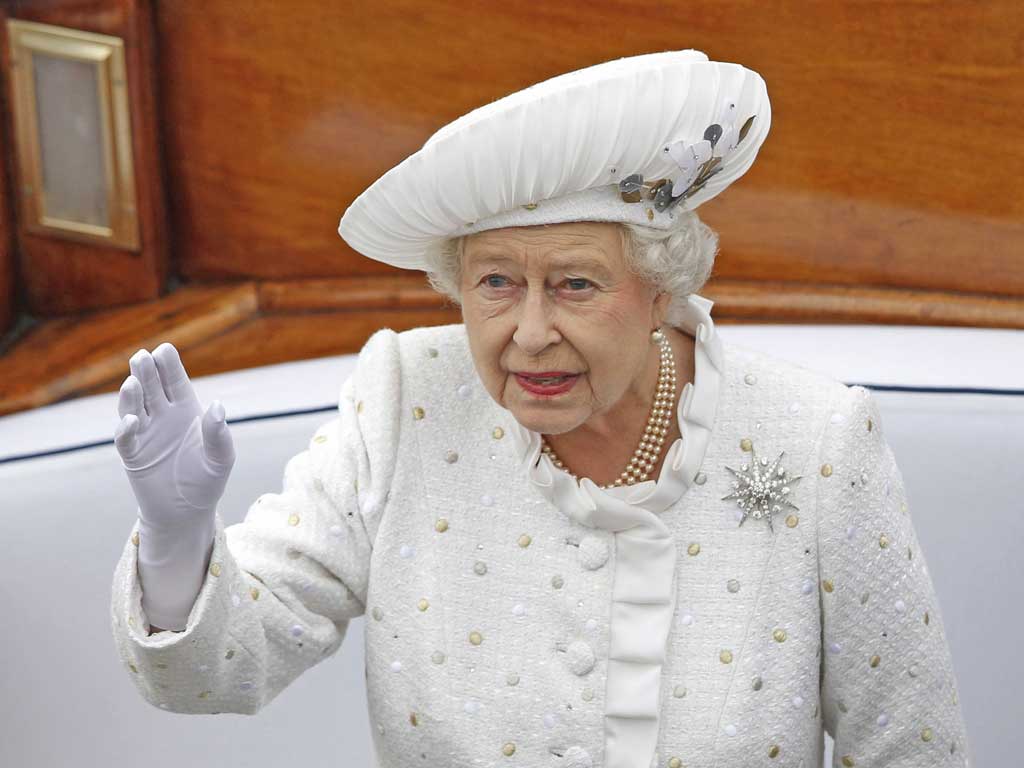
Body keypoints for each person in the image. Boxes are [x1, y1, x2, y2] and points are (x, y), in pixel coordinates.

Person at [110, 50, 971, 768]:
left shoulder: (817, 440)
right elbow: (217, 671)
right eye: (495, 283)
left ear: (660, 290)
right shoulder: (406, 401)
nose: (528, 334)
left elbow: (910, 746)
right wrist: (180, 534)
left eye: (574, 284)